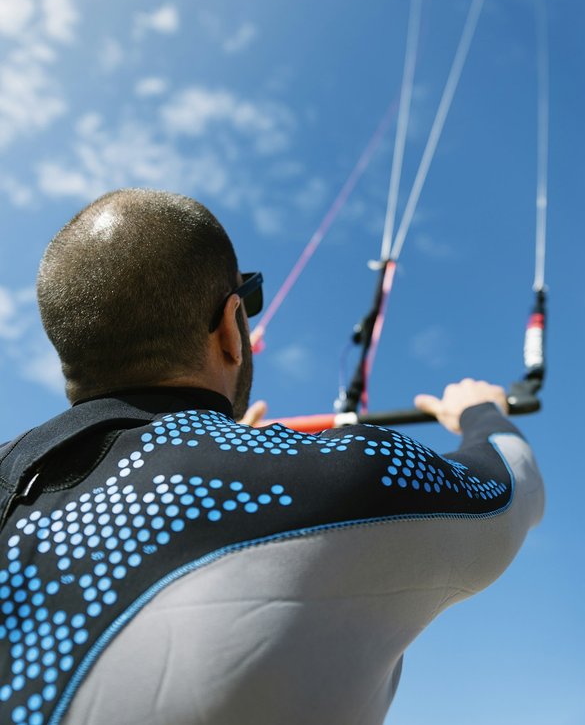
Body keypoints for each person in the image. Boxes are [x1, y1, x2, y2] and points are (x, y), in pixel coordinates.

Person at [0, 188, 544, 725]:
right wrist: (482, 413)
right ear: (231, 328)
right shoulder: (344, 477)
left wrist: (224, 456)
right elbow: (510, 487)